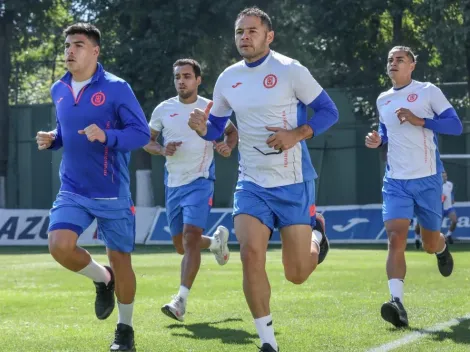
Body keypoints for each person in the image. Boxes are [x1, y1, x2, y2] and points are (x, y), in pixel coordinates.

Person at [188, 7, 338, 352]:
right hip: (251, 182)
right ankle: (267, 341)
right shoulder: (227, 78)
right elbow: (217, 128)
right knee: (251, 253)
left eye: (252, 31)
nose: (245, 37)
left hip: (293, 181)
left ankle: (317, 232)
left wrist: (296, 134)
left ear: (269, 36)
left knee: (297, 273)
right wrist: (203, 129)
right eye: (240, 32)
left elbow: (330, 112)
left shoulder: (290, 70)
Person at [35, 23, 150, 352]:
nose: (70, 50)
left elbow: (141, 135)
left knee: (123, 260)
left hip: (112, 192)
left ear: (95, 51)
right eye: (68, 45)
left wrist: (108, 136)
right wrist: (53, 139)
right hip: (72, 188)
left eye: (79, 45)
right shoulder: (58, 89)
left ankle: (124, 330)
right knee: (59, 245)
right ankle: (103, 278)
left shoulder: (117, 88)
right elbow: (64, 130)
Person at [365, 46, 462, 328]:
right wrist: (377, 139)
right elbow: (386, 132)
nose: (393, 63)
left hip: (428, 180)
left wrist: (421, 121)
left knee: (429, 243)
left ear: (412, 65)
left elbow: (455, 126)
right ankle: (397, 303)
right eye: (390, 59)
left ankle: (442, 247)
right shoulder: (383, 99)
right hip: (395, 181)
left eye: (400, 59)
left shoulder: (428, 91)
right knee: (396, 237)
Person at [143, 58, 238, 322]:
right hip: (173, 184)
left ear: (198, 80)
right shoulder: (163, 109)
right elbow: (147, 142)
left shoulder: (211, 107)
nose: (181, 81)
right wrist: (162, 149)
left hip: (200, 180)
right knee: (181, 245)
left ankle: (180, 301)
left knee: (188, 237)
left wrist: (227, 147)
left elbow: (232, 133)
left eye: (186, 76)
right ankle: (216, 242)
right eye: (177, 77)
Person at [441, 171, 457, 244]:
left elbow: (450, 192)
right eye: (443, 176)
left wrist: (452, 198)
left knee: (454, 221)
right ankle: (440, 240)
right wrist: (441, 199)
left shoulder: (450, 184)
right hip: (440, 209)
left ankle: (448, 235)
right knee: (437, 227)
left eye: (445, 176)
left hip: (449, 207)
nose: (445, 178)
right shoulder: (437, 186)